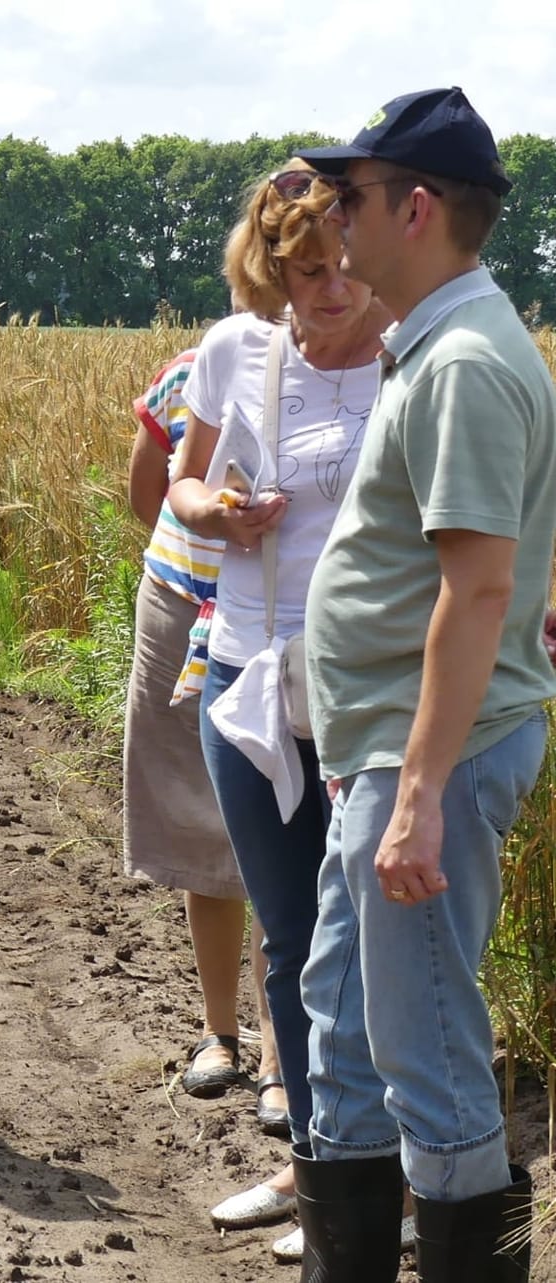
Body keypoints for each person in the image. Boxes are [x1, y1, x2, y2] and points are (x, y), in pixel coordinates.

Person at [292, 88, 555, 1281]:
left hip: (424, 757)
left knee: (429, 1049)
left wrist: (417, 792)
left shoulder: (462, 363)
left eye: (348, 196)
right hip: (393, 750)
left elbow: (479, 591)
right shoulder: (439, 347)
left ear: (417, 206)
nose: (328, 217)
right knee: (346, 1030)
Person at [164, 163, 392, 1251]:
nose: (332, 291)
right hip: (248, 677)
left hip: (371, 686)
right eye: (308, 273)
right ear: (272, 269)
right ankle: (316, 1164)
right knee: (294, 937)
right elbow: (181, 484)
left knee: (375, 942)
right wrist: (220, 511)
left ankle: (389, 1181)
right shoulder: (235, 350)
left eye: (346, 267)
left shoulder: (416, 354)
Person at [121, 348, 287, 1135]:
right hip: (185, 602)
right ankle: (222, 1032)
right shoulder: (193, 370)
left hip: (284, 621)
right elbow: (145, 491)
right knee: (202, 816)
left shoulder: (347, 365)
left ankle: (281, 1059)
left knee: (282, 835)